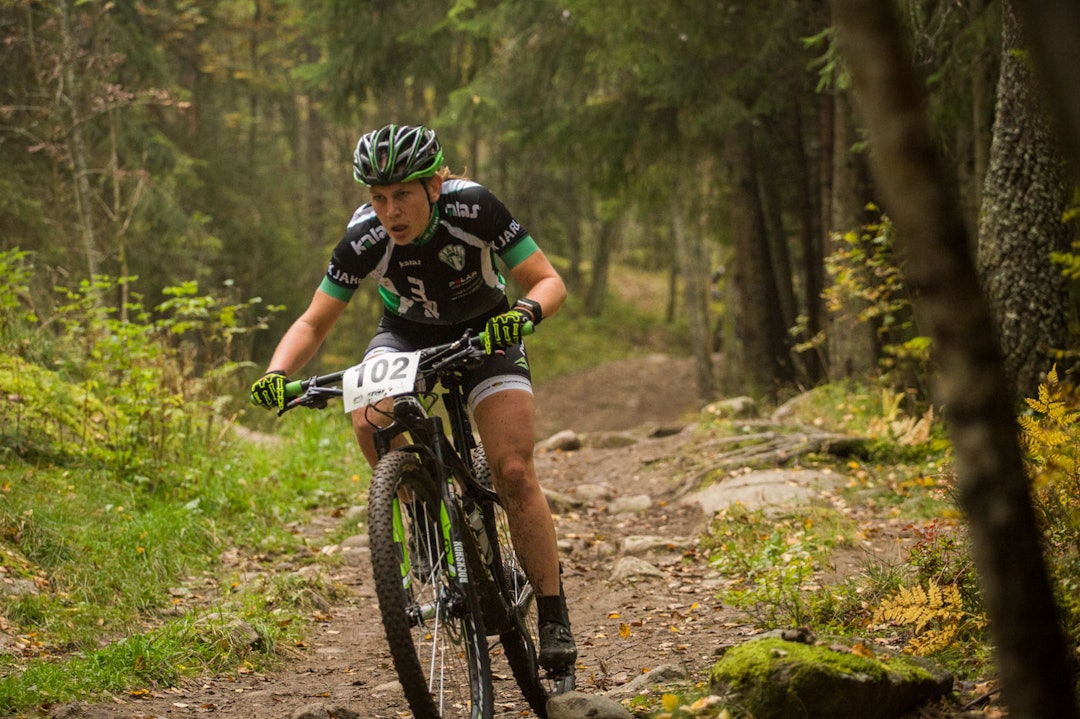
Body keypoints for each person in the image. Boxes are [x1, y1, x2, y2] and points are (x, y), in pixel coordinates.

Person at [249, 123, 577, 670]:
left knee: (514, 470)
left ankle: (552, 614)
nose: (390, 211)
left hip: (486, 332)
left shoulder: (474, 208)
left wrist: (522, 316)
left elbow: (548, 281)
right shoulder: (363, 238)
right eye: (378, 198)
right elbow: (314, 321)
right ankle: (422, 516)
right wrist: (278, 372)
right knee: (367, 417)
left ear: (435, 185)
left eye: (402, 194)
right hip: (405, 337)